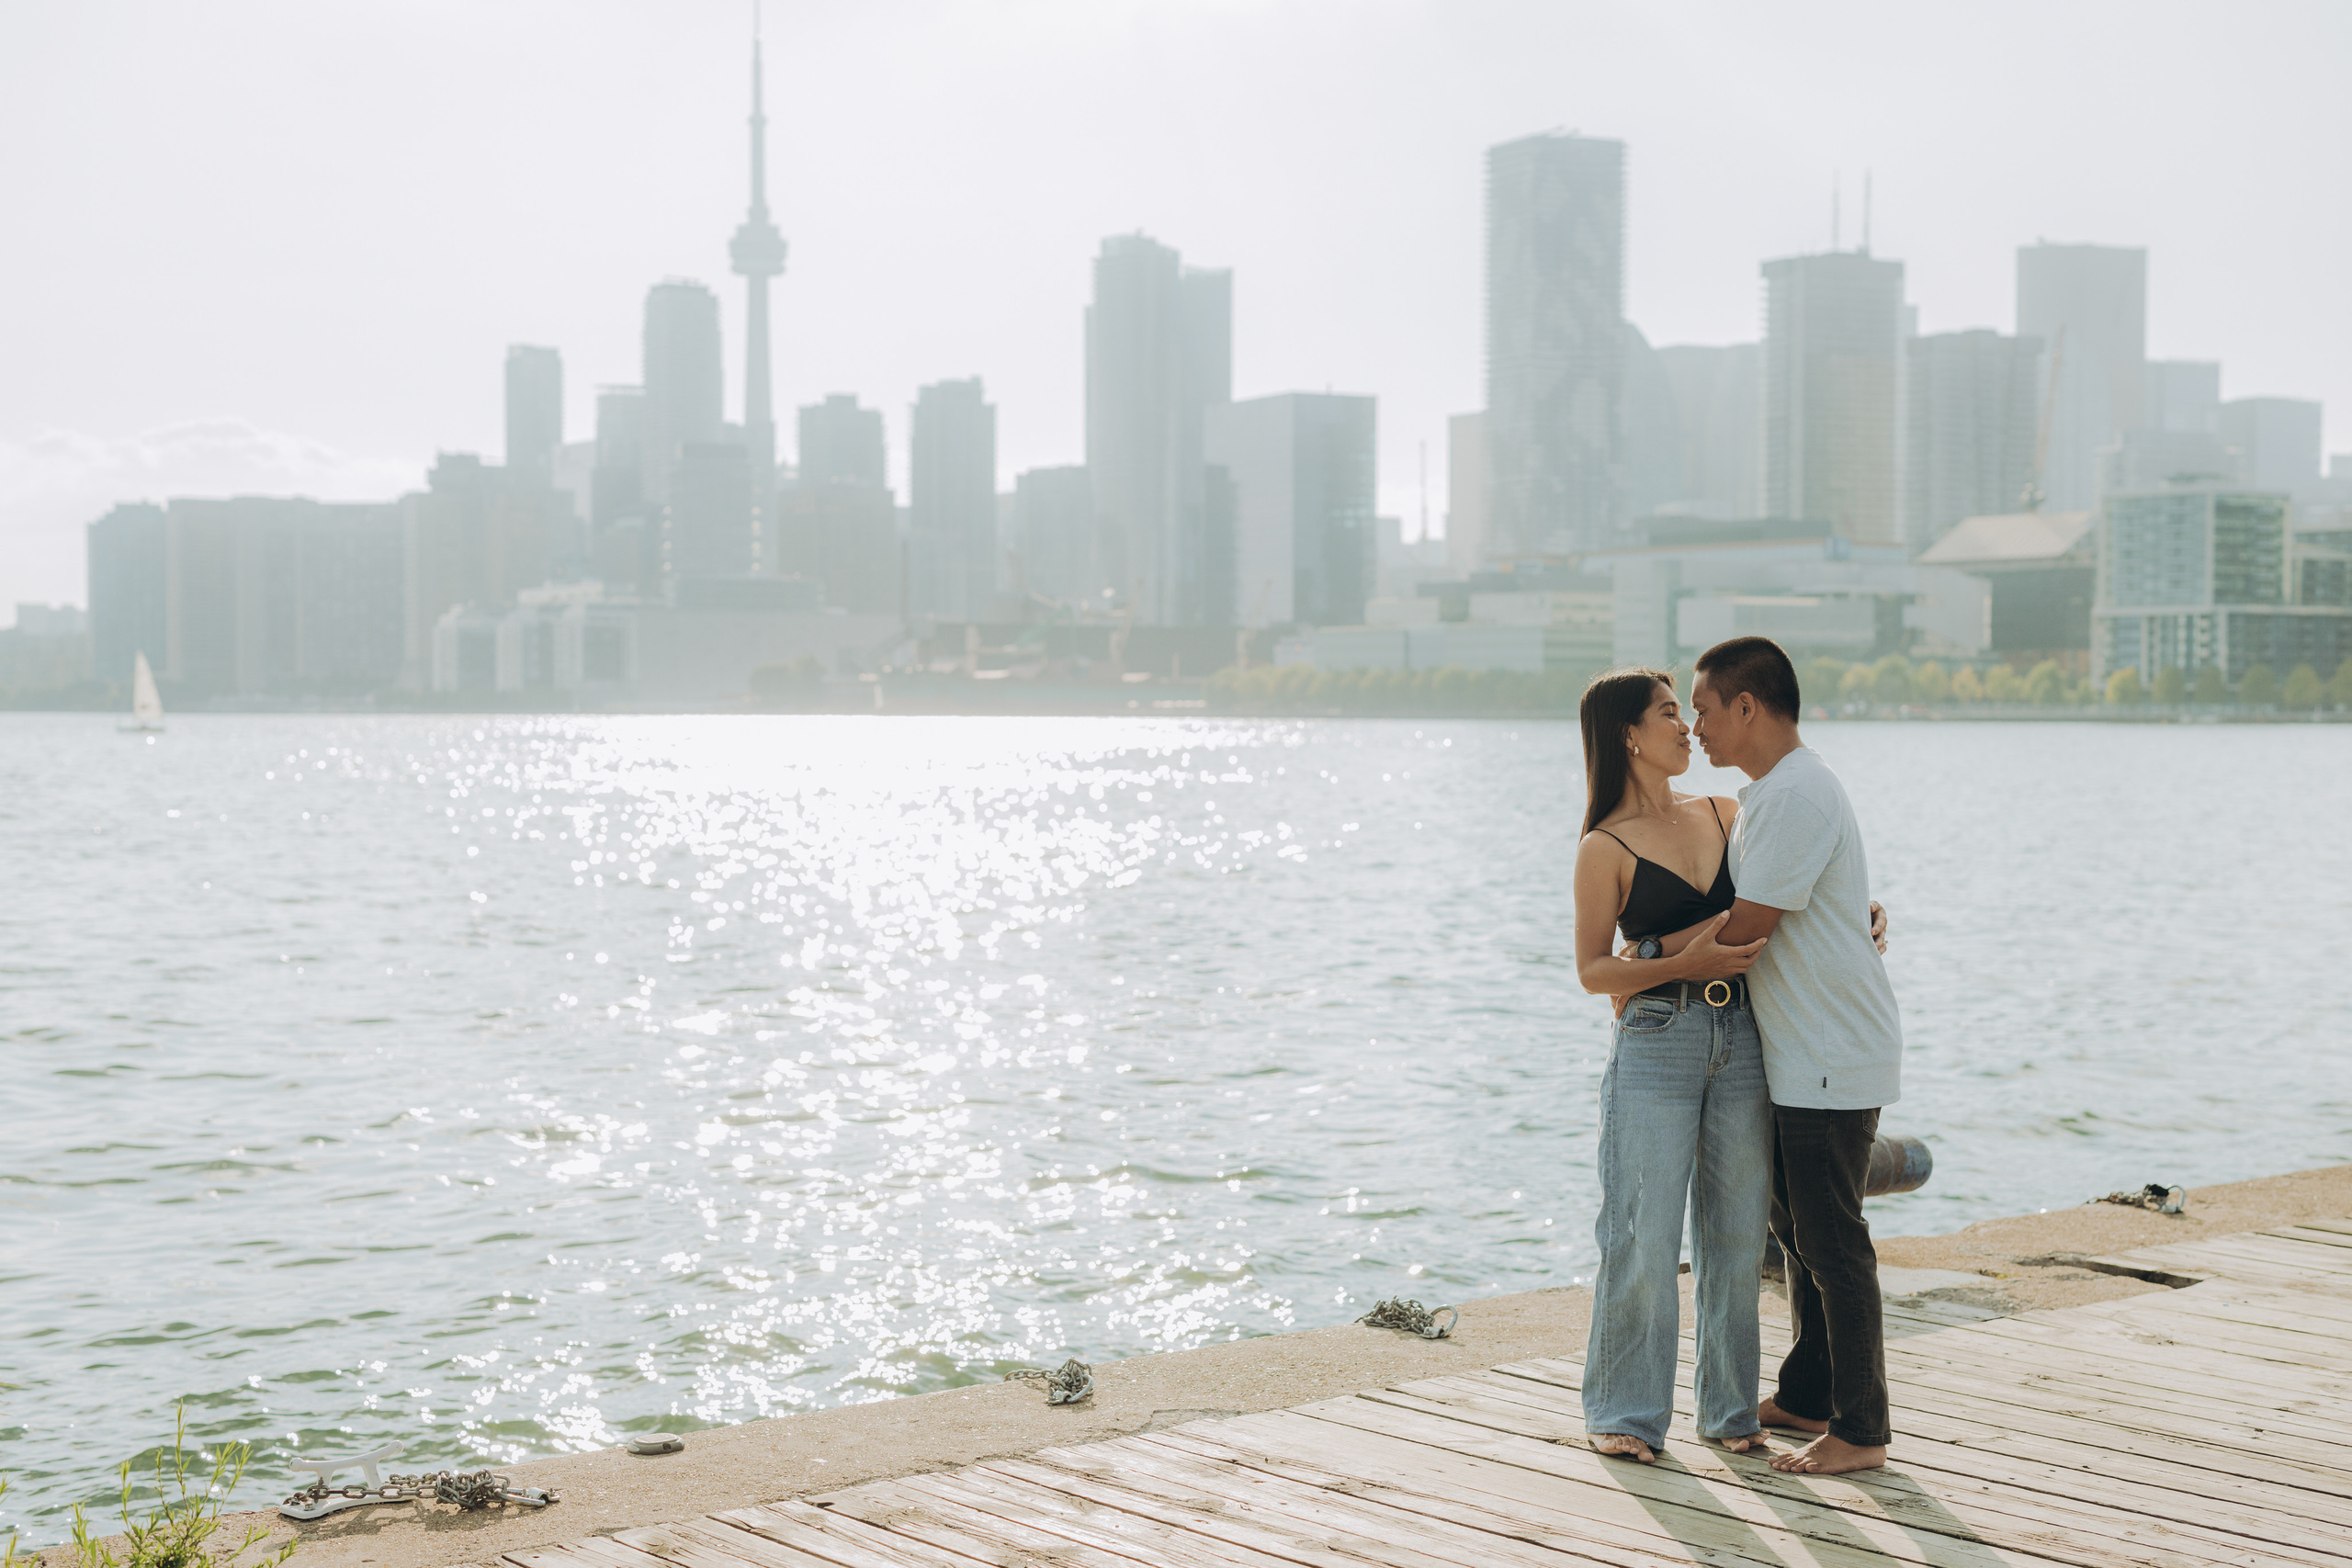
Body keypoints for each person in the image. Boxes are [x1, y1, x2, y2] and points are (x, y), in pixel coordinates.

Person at [1688, 635, 1904, 1477]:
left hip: (1829, 1052)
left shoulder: (1795, 794)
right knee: (1796, 1229)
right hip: (1807, 1050)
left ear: (1747, 706)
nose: (1699, 726)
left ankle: (1862, 1427)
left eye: (1704, 708)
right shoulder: (1776, 793)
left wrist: (1643, 962)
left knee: (1830, 1239)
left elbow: (1747, 932)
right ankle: (1810, 1392)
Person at [1571, 668, 1775, 1462]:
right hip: (1658, 1041)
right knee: (1642, 1231)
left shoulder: (1728, 812)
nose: (1687, 728)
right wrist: (1675, 960)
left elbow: (1781, 901)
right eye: (1668, 715)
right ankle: (1625, 1411)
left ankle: (1729, 1412)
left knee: (1734, 1232)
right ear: (1627, 733)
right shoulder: (1605, 846)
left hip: (1746, 1036)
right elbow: (1594, 971)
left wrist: (1859, 912)